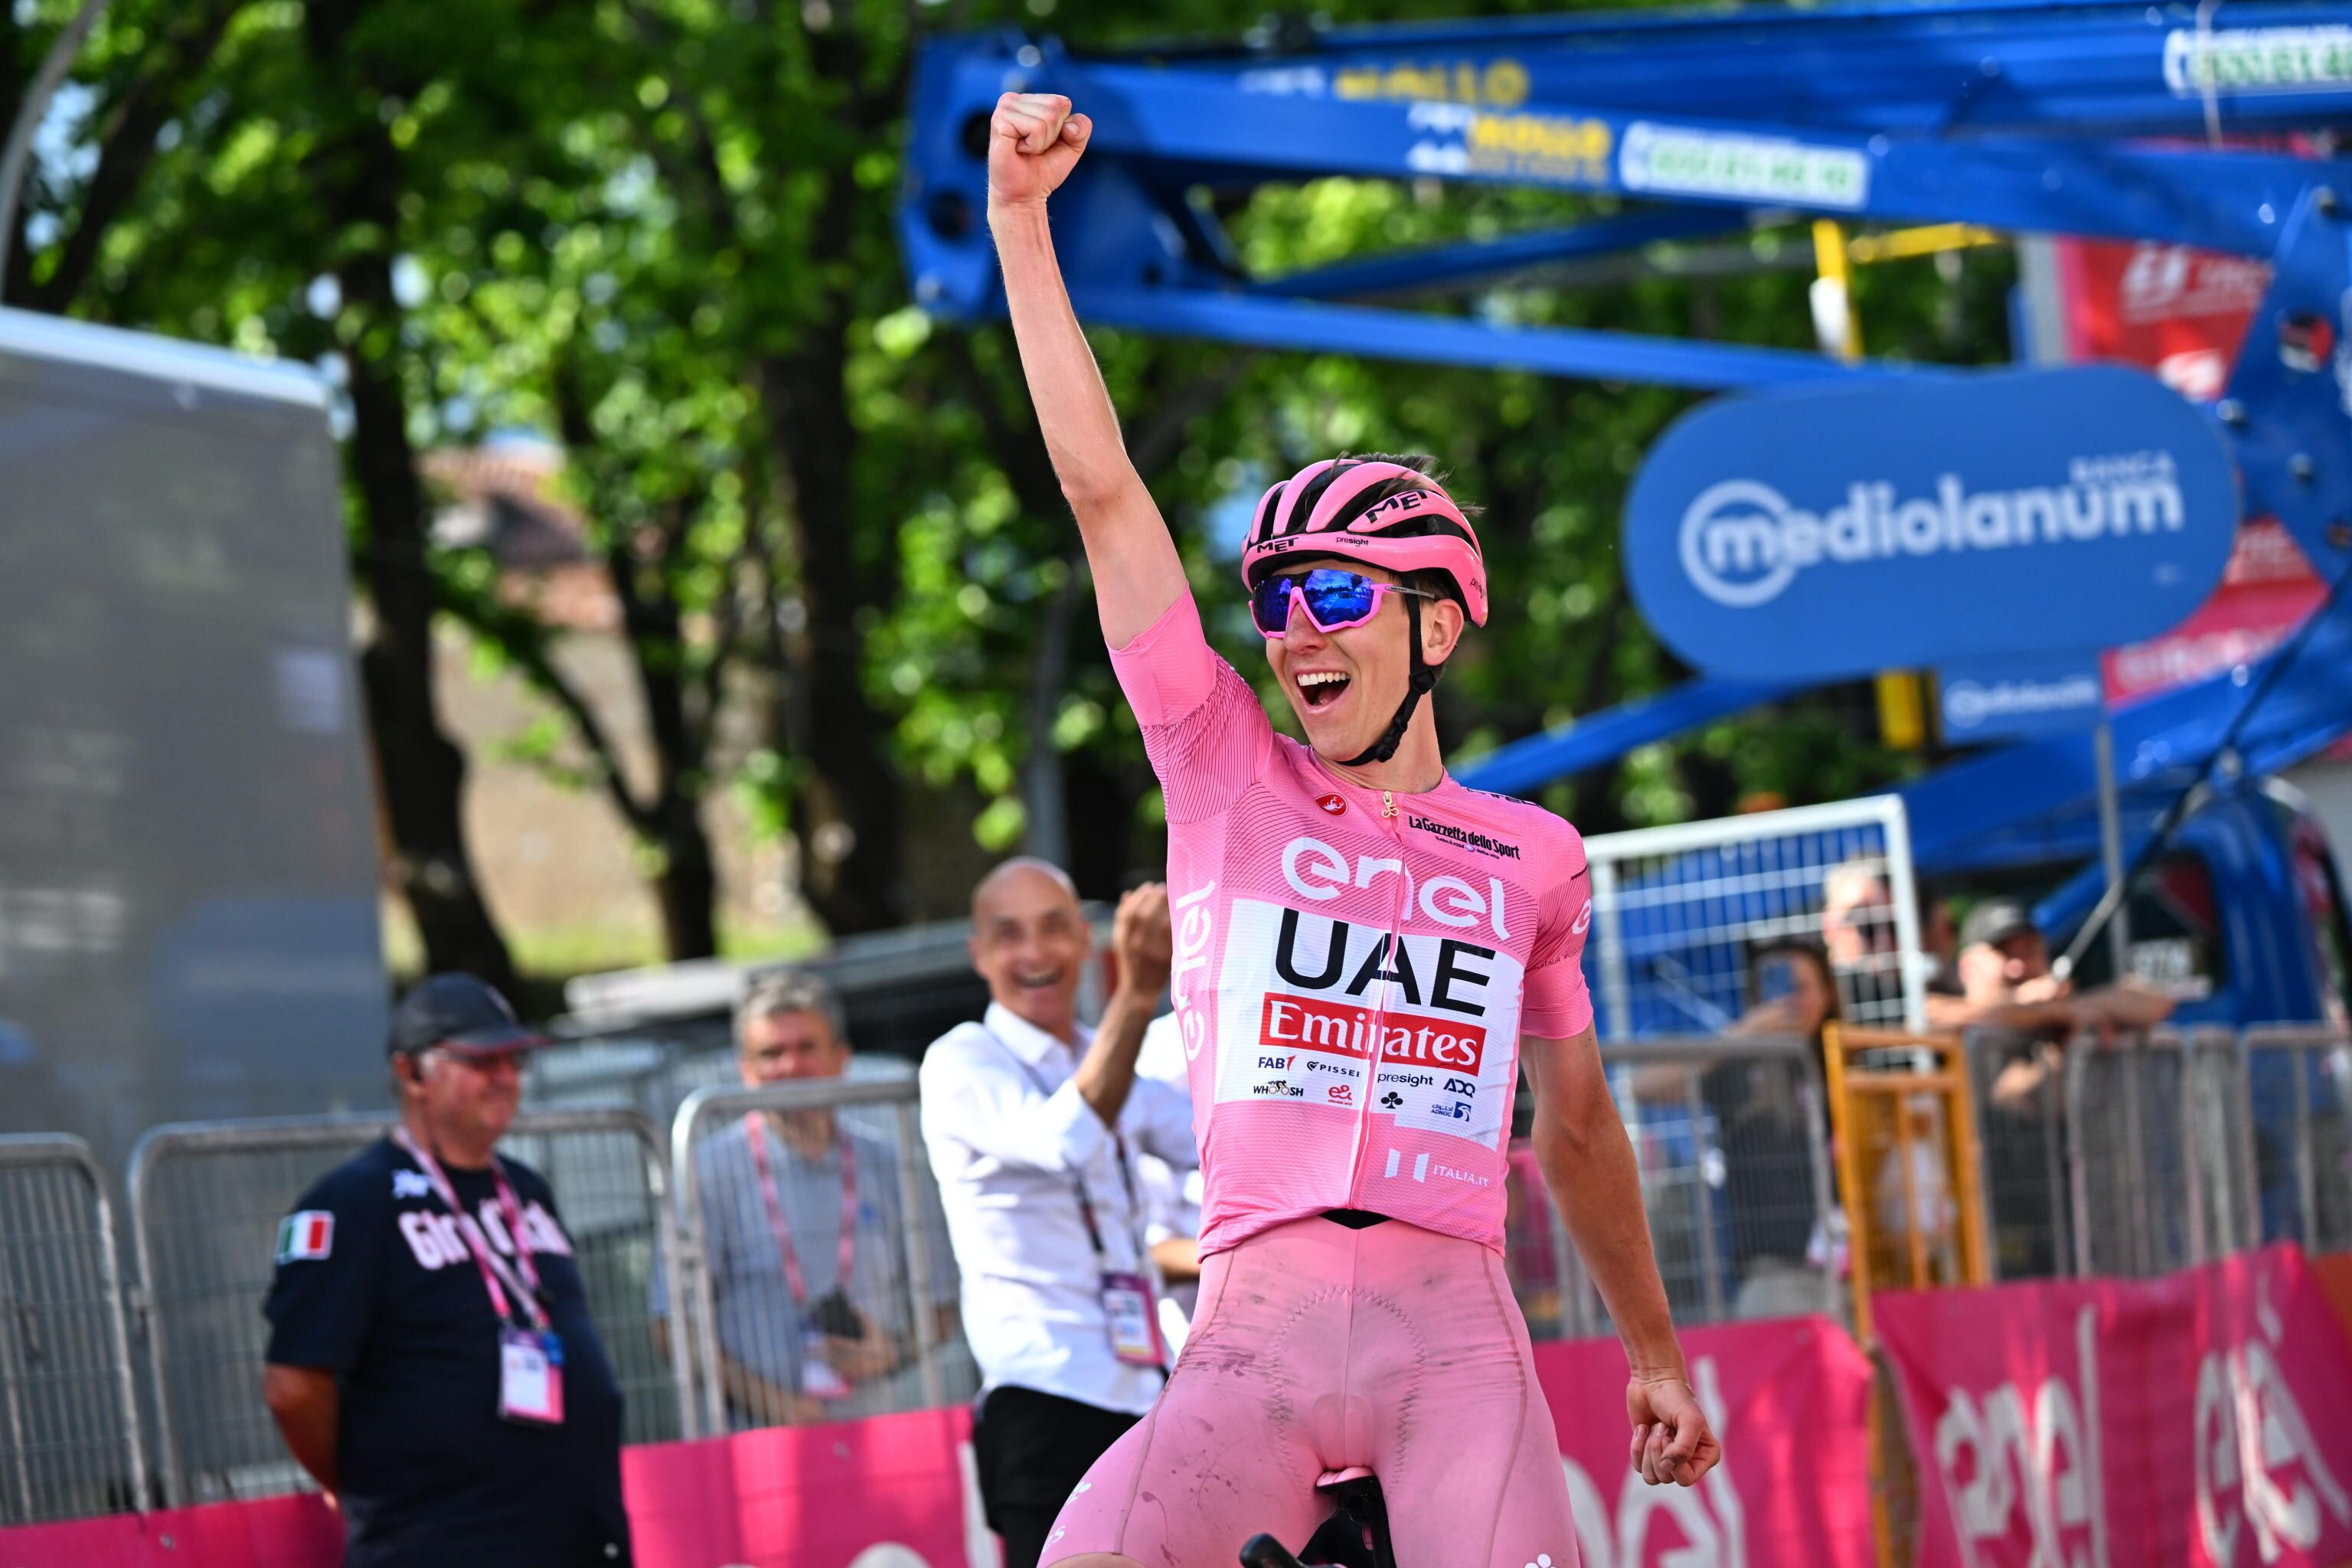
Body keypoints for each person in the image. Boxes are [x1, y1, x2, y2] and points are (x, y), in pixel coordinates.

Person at [984, 91, 1717, 1568]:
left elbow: (1573, 1128)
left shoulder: (1532, 855)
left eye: (1332, 596)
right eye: (1271, 602)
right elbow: (1100, 489)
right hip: (1247, 1335)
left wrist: (1653, 1350)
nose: (1290, 633)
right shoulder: (1219, 766)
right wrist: (1018, 221)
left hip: (1453, 1340)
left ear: (1437, 622)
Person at [261, 973, 629, 1568]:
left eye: (513, 1061)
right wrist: (364, 1480)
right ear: (412, 1075)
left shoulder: (526, 1188)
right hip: (443, 1541)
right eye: (481, 1062)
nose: (505, 1078)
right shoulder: (356, 1203)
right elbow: (294, 1387)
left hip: (573, 1536)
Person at [920, 867, 1196, 1568]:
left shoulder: (1103, 1058)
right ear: (978, 953)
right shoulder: (960, 1059)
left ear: (1082, 938)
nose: (1035, 954)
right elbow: (1062, 1143)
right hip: (1043, 1398)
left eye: (1052, 927)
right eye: (1009, 935)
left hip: (1147, 1388)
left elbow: (1215, 1141)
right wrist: (1135, 997)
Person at [654, 968, 956, 1427]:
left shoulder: (890, 1164)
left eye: (806, 1048)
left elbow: (942, 1307)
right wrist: (776, 1405)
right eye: (771, 1053)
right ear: (746, 1072)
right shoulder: (708, 1173)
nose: (790, 1067)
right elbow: (669, 1327)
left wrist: (892, 1353)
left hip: (884, 1439)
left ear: (841, 1057)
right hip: (761, 1447)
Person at [1948, 899, 2175, 1275]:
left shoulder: (2054, 1016)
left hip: (2068, 1223)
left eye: (2030, 952)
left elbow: (2156, 1002)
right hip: (1996, 1228)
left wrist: (2068, 1012)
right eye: (2005, 954)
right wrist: (2054, 1034)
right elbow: (2015, 1097)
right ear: (1967, 966)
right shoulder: (1966, 1033)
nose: (2020, 966)